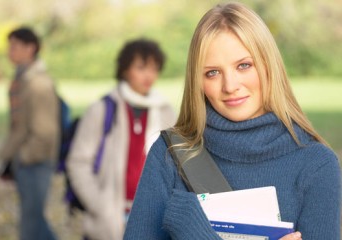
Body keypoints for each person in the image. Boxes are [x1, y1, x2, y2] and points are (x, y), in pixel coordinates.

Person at [124, 2, 341, 240]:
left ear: (270, 66)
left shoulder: (317, 165)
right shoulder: (170, 153)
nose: (230, 86)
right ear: (198, 81)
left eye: (244, 65)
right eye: (212, 72)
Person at [66, 38, 176, 240]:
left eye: (154, 68)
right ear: (125, 69)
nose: (149, 75)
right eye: (141, 67)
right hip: (109, 220)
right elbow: (78, 162)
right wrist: (100, 205)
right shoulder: (102, 109)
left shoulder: (166, 111)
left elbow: (177, 163)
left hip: (152, 218)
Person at [0, 27, 59, 240]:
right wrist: (8, 157)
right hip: (26, 161)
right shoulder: (22, 79)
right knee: (34, 223)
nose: (10, 51)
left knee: (31, 226)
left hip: (36, 161)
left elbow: (45, 132)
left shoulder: (38, 83)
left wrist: (22, 157)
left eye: (14, 46)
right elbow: (18, 125)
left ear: (30, 48)